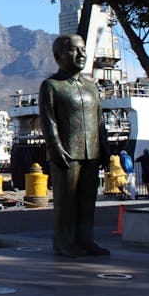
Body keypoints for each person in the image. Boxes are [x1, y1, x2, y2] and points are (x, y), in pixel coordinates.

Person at [39, 34, 110, 258]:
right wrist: (55, 148)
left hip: (92, 151)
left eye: (83, 50)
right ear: (58, 56)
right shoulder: (52, 86)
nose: (81, 54)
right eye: (73, 50)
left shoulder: (91, 88)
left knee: (88, 199)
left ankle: (85, 239)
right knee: (65, 200)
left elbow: (99, 121)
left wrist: (105, 148)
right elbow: (48, 121)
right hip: (66, 153)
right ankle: (63, 242)